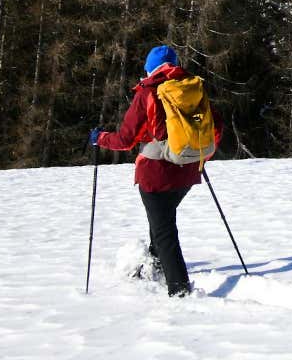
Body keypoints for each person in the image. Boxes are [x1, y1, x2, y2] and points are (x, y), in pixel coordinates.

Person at [90, 45, 221, 296]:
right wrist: (198, 155)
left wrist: (101, 138)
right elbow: (215, 128)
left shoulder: (148, 93)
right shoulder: (192, 88)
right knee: (161, 221)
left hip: (155, 175)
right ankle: (156, 265)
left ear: (150, 69)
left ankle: (179, 291)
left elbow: (126, 139)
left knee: (164, 232)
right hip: (188, 172)